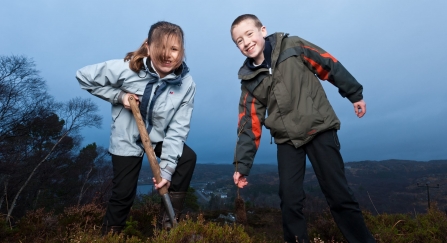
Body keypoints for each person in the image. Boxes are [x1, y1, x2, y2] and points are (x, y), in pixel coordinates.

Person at [230, 14, 375, 243]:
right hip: (287, 140)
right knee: (289, 200)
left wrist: (354, 94)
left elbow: (327, 63)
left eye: (249, 34)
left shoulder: (293, 46)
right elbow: (249, 124)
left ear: (262, 31)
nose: (246, 42)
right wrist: (242, 165)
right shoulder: (250, 81)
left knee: (338, 195)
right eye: (239, 40)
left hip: (319, 127)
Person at [76, 21, 196, 234]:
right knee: (123, 194)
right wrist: (119, 96)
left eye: (174, 49)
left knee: (186, 158)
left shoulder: (186, 84)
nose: (167, 55)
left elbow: (178, 128)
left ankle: (167, 229)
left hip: (158, 136)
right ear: (148, 47)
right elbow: (84, 76)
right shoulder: (127, 68)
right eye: (161, 48)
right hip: (127, 137)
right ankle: (110, 237)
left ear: (182, 51)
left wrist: (166, 170)